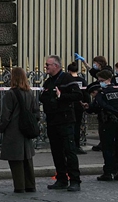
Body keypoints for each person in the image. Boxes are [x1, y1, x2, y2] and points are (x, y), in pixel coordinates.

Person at [39, 55, 82, 192]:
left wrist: (61, 96)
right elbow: (43, 97)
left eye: (48, 65)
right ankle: (61, 178)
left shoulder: (67, 79)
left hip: (65, 120)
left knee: (69, 151)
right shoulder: (48, 81)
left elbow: (78, 95)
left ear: (56, 66)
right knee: (56, 152)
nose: (46, 67)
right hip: (52, 120)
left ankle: (75, 180)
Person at [0, 66, 39, 193]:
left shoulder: (10, 94)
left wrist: (1, 127)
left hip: (14, 131)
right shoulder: (30, 92)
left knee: (16, 161)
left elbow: (6, 115)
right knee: (27, 159)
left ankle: (20, 186)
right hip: (26, 130)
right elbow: (36, 112)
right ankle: (30, 185)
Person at [91, 69, 118, 181]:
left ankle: (108, 173)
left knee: (107, 148)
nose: (100, 83)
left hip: (109, 121)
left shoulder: (102, 93)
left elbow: (102, 105)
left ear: (107, 80)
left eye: (101, 80)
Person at [65, 62, 87, 154]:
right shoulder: (82, 80)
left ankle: (69, 145)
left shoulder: (67, 80)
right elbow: (86, 93)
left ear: (69, 70)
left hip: (69, 105)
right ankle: (77, 145)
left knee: (69, 126)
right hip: (79, 105)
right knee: (77, 126)